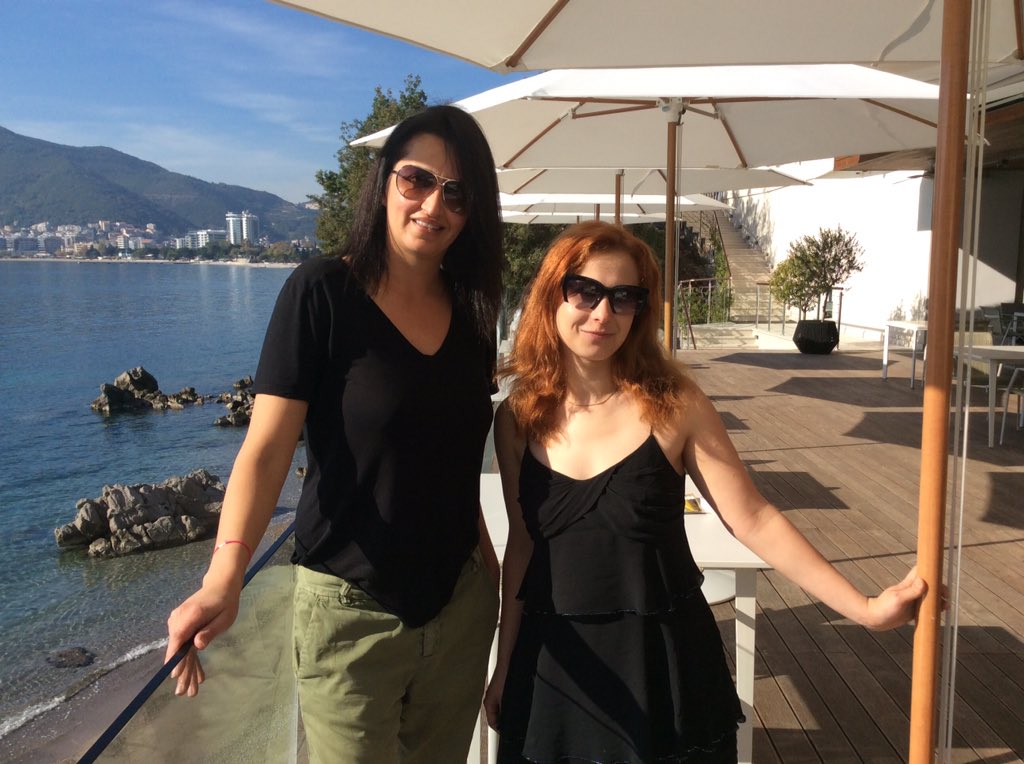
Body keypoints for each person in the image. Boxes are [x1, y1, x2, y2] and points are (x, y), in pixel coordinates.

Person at [483, 221, 928, 763]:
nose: (602, 313)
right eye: (585, 291)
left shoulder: (674, 406)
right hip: (554, 666)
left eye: (624, 297)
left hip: (662, 663)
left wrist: (865, 608)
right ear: (552, 295)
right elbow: (523, 548)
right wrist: (504, 663)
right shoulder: (518, 418)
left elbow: (753, 518)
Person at [166, 104, 504, 764]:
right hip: (350, 613)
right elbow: (266, 451)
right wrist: (225, 574)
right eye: (417, 180)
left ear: (473, 213)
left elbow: (456, 470)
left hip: (460, 607)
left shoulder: (473, 318)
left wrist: (492, 592)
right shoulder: (322, 292)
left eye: (457, 193)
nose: (433, 204)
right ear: (384, 181)